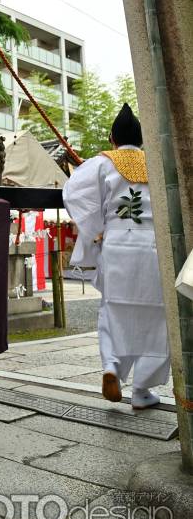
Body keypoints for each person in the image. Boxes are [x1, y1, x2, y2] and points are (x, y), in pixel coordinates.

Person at [62, 103, 169, 409]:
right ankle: (142, 390)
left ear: (112, 138)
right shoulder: (157, 164)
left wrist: (96, 229)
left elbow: (73, 193)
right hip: (153, 247)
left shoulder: (101, 163)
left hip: (117, 246)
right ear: (142, 139)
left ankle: (111, 367)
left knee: (113, 311)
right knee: (156, 315)